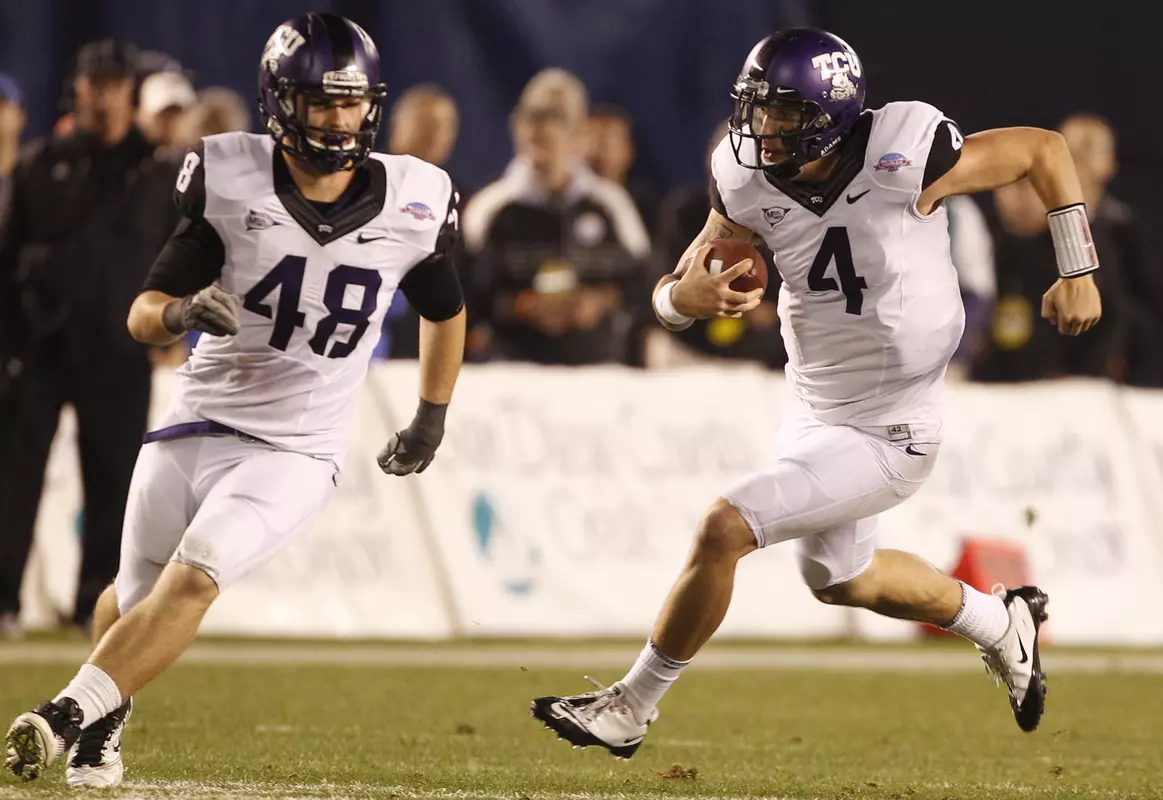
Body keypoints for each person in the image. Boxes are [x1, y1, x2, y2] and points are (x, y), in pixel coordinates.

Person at [531, 27, 1102, 757]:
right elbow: (677, 285)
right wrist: (685, 300)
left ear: (830, 114)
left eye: (781, 116)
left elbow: (1042, 150)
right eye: (755, 111)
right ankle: (1001, 624)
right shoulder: (742, 174)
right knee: (842, 580)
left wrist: (1076, 267)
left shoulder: (904, 149)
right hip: (814, 403)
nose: (761, 131)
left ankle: (632, 706)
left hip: (893, 426)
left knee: (723, 527)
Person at [5, 12, 467, 786]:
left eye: (349, 102)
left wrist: (432, 413)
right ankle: (101, 734)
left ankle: (62, 714)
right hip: (193, 422)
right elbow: (142, 310)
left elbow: (444, 310)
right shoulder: (230, 180)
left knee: (198, 571)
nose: (336, 118)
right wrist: (182, 312)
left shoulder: (410, 201)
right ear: (279, 103)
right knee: (130, 597)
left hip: (294, 446)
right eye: (319, 101)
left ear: (371, 104)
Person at [0, 40, 179, 637]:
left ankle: (92, 606)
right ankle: (4, 602)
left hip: (118, 351)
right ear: (77, 91)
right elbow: (6, 260)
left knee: (114, 483)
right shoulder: (41, 164)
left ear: (131, 93)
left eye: (114, 86)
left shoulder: (159, 174)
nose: (104, 98)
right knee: (13, 479)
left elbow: (183, 257)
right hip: (41, 350)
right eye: (94, 85)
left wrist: (176, 322)